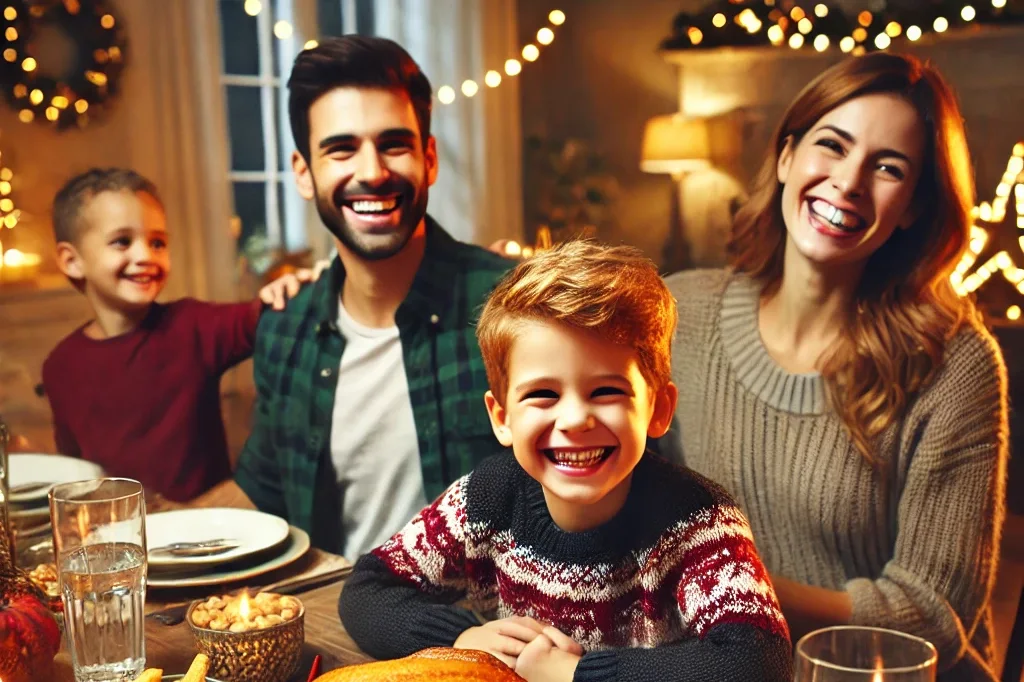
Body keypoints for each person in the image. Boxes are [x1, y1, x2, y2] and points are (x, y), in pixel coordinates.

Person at [664, 53, 1008, 679]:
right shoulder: (681, 311)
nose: (848, 183)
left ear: (911, 207)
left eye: (887, 167)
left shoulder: (956, 364)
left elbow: (936, 614)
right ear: (788, 156)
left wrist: (734, 591)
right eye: (833, 145)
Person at [340, 241, 792, 682]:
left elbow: (758, 661)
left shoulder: (699, 523)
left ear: (657, 409)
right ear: (502, 418)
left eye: (607, 392)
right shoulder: (483, 501)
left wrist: (577, 673)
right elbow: (365, 591)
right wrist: (464, 638)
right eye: (543, 394)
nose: (575, 419)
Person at [195, 35, 512, 558]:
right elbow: (261, 493)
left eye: (394, 144)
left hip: (487, 630)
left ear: (429, 159)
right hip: (330, 622)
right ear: (304, 173)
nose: (371, 172)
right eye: (341, 148)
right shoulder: (285, 326)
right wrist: (141, 538)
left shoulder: (512, 307)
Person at [42, 168, 314, 501]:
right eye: (122, 242)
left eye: (157, 242)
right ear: (72, 261)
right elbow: (76, 476)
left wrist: (288, 291)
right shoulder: (60, 366)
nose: (145, 256)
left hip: (208, 529)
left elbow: (260, 317)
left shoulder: (191, 325)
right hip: (121, 536)